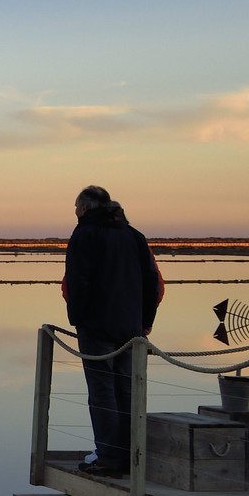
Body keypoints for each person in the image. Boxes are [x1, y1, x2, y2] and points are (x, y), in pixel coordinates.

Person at [62, 185, 163, 476]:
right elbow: (151, 283)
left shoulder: (85, 235)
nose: (76, 212)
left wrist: (77, 318)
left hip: (97, 327)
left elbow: (78, 281)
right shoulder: (134, 236)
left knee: (102, 392)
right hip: (130, 327)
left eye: (77, 207)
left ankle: (108, 457)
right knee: (126, 390)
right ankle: (130, 456)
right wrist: (145, 322)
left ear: (85, 208)